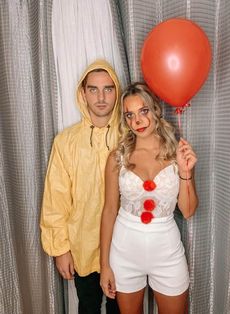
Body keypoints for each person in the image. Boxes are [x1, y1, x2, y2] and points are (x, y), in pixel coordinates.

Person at [100, 82, 198, 314]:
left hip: (167, 251)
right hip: (124, 252)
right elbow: (108, 210)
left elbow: (188, 211)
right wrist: (105, 266)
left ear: (155, 110)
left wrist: (186, 174)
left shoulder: (178, 153)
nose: (138, 121)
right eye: (130, 115)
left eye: (143, 111)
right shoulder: (117, 157)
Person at [40, 60, 121, 314]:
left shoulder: (130, 136)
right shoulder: (66, 142)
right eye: (93, 89)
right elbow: (56, 199)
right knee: (88, 307)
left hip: (124, 246)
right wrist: (60, 249)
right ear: (83, 93)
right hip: (82, 247)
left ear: (117, 92)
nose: (101, 97)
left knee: (123, 310)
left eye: (108, 89)